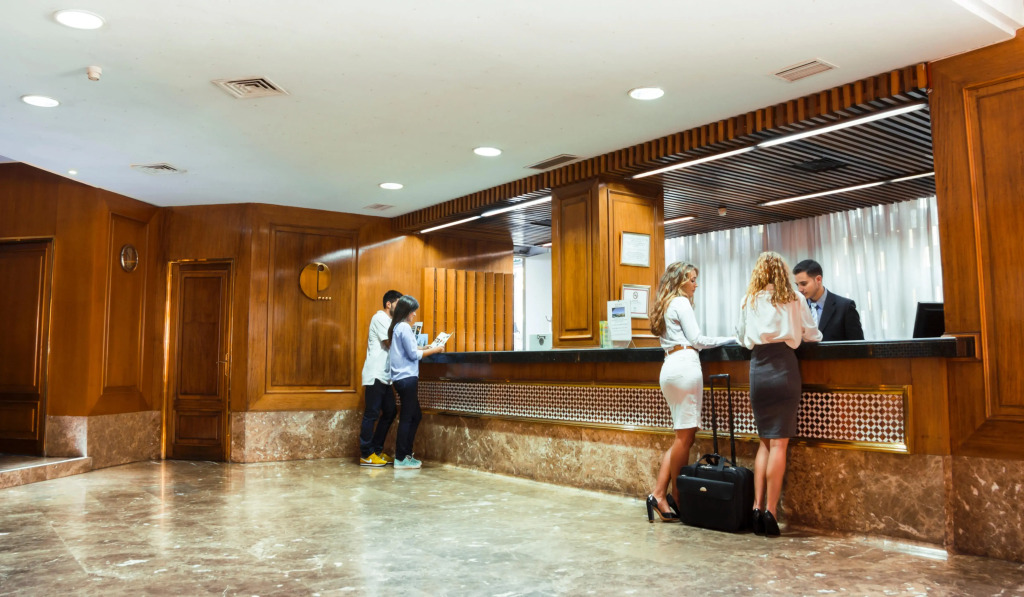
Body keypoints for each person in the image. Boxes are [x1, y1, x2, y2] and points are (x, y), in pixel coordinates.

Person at [737, 252, 822, 536]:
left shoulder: (749, 300)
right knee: (779, 445)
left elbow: (741, 337)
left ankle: (756, 508)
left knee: (764, 442)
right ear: (783, 272)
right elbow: (812, 334)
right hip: (784, 368)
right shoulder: (794, 299)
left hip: (758, 370)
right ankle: (771, 513)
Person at [645, 262, 735, 523]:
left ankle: (659, 494)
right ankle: (676, 497)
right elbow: (697, 340)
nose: (696, 284)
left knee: (682, 437)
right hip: (685, 367)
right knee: (685, 438)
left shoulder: (666, 304)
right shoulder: (681, 302)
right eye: (692, 279)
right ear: (679, 281)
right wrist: (731, 339)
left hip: (670, 367)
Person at [388, 295, 446, 469]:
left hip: (401, 378)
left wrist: (424, 347)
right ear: (406, 311)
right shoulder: (404, 327)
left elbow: (408, 349)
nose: (414, 314)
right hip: (407, 378)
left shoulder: (397, 327)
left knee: (415, 415)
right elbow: (413, 355)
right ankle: (401, 457)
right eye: (413, 311)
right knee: (408, 417)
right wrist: (435, 350)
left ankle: (406, 454)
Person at [358, 290, 403, 467]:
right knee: (372, 413)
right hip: (375, 374)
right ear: (388, 304)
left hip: (385, 376)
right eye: (398, 304)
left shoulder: (392, 322)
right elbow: (389, 343)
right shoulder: (379, 318)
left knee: (390, 412)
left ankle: (376, 450)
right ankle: (366, 454)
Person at [793, 259, 864, 341]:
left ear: (818, 279)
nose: (800, 289)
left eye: (803, 284)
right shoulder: (796, 307)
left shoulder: (845, 307)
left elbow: (858, 345)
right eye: (797, 285)